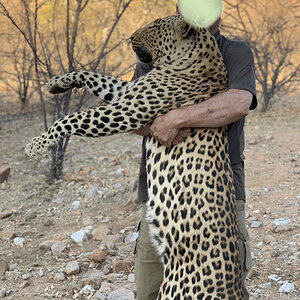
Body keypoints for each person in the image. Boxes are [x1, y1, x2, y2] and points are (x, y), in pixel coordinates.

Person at [132, 4, 257, 300]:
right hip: (161, 195)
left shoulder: (235, 52)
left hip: (216, 194)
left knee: (219, 289)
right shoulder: (156, 50)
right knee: (149, 291)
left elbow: (238, 102)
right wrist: (152, 127)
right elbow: (130, 113)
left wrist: (174, 119)